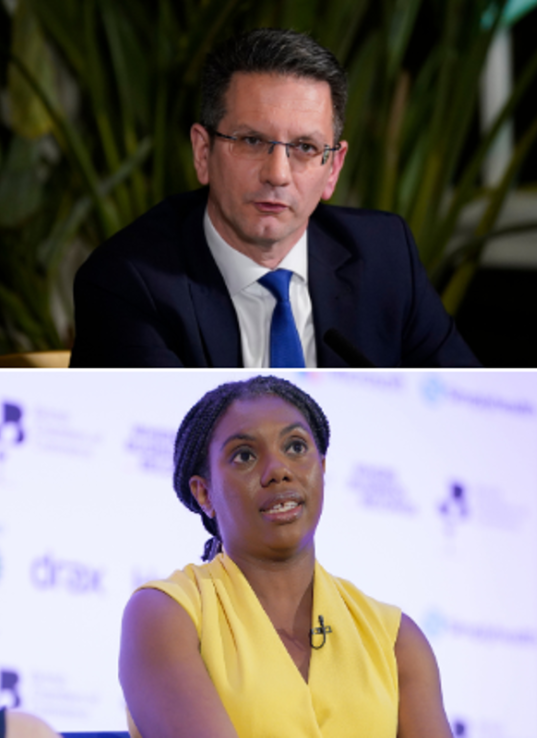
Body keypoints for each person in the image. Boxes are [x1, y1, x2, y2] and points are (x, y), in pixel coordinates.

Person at [70, 29, 479, 368]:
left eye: (304, 147)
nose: (277, 174)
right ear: (202, 153)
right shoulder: (127, 281)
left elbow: (466, 412)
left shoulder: (385, 256)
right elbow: (168, 451)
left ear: (332, 168)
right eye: (251, 141)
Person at [119, 376, 451, 738]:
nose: (278, 470)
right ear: (204, 494)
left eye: (295, 447)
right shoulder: (165, 615)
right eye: (244, 456)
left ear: (322, 470)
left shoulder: (396, 639)